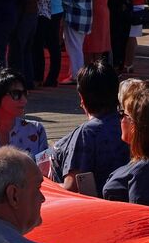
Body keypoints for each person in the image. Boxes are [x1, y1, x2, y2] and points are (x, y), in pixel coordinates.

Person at [49, 61, 129, 195]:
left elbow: (72, 187)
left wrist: (45, 184)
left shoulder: (87, 133)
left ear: (82, 98)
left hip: (95, 207)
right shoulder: (128, 123)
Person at [60, 0, 92, 81]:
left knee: (74, 49)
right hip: (85, 17)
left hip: (74, 18)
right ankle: (76, 74)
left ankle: (76, 76)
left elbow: (65, 1)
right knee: (78, 47)